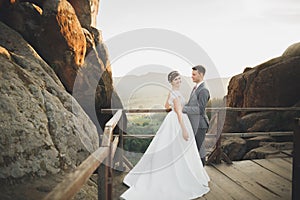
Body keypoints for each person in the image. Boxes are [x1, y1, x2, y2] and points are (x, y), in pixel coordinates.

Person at [120, 71, 210, 200]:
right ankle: (179, 175)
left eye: (179, 79)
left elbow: (166, 105)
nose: (179, 81)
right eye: (176, 80)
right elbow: (179, 113)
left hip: (171, 119)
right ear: (171, 82)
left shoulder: (171, 92)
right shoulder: (177, 94)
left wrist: (172, 108)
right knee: (180, 149)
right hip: (179, 122)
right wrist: (184, 129)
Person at [183, 65, 210, 166]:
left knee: (199, 151)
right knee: (196, 150)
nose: (192, 76)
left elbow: (200, 109)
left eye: (194, 74)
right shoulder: (195, 88)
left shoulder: (203, 90)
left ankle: (202, 174)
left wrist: (183, 109)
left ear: (201, 75)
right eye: (192, 74)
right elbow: (192, 104)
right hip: (194, 124)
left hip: (200, 125)